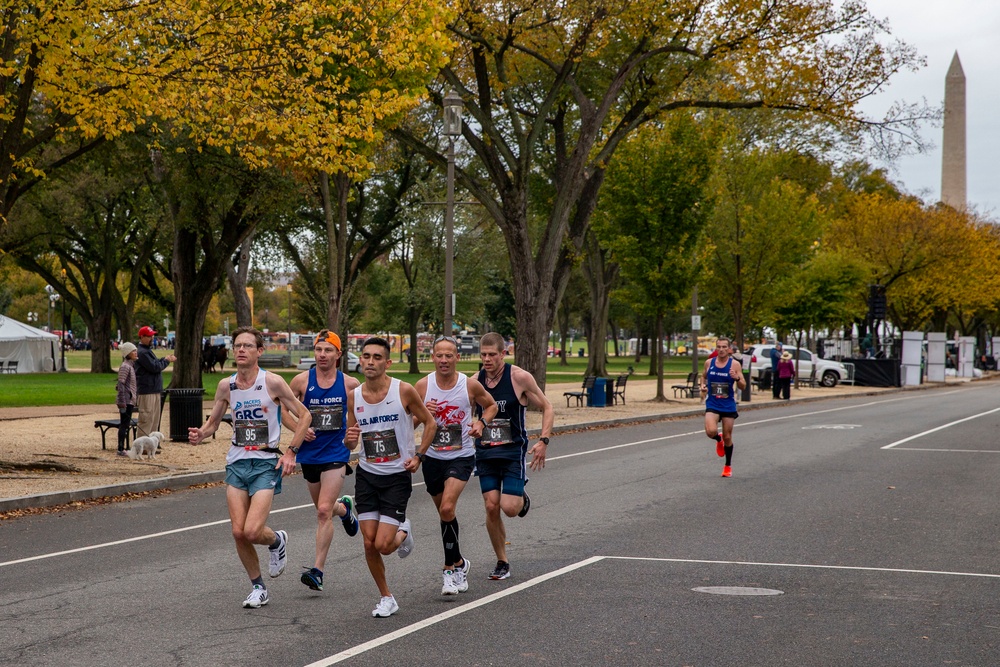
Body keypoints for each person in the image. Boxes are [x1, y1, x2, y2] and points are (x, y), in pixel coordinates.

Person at [188, 326, 312, 609]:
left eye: (247, 345)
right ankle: (258, 587)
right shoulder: (226, 386)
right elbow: (214, 423)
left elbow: (304, 416)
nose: (241, 350)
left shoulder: (273, 383)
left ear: (259, 351)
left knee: (253, 530)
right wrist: (201, 434)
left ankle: (276, 541)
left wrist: (292, 451)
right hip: (236, 462)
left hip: (266, 462)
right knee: (237, 531)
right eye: (237, 345)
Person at [345, 336, 437, 618]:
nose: (370, 362)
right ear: (360, 360)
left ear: (387, 362)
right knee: (368, 541)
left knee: (384, 545)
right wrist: (349, 441)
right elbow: (351, 441)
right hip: (367, 475)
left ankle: (403, 529)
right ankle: (387, 597)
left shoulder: (404, 390)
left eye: (376, 357)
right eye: (366, 356)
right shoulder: (354, 396)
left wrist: (419, 456)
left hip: (397, 476)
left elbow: (430, 423)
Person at [414, 335, 498, 596]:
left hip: (461, 455)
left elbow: (491, 405)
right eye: (439, 355)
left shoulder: (469, 385)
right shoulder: (422, 386)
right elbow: (410, 424)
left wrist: (481, 423)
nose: (443, 360)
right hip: (432, 457)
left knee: (448, 507)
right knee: (445, 513)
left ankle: (450, 570)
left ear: (457, 358)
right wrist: (421, 412)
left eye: (449, 355)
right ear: (432, 357)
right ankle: (460, 561)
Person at [285, 330, 362, 593]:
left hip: (336, 453)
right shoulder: (300, 382)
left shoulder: (350, 384)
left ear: (339, 354)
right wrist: (298, 427)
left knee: (321, 511)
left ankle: (317, 571)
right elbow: (282, 409)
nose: (322, 355)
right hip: (309, 454)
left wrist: (354, 434)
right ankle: (345, 509)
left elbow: (364, 409)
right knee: (325, 508)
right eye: (318, 350)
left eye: (328, 350)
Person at [475, 332, 554, 581]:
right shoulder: (474, 381)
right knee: (491, 506)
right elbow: (464, 410)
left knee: (509, 508)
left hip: (512, 451)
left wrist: (543, 440)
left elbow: (547, 406)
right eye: (483, 355)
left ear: (503, 353)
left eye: (492, 355)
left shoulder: (519, 377)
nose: (487, 359)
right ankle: (502, 561)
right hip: (485, 451)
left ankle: (520, 495)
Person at [700, 336, 745, 478]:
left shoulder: (735, 365)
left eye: (724, 347)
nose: (721, 349)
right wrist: (702, 385)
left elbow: (743, 386)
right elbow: (703, 377)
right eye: (718, 347)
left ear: (729, 349)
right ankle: (717, 439)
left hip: (728, 404)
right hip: (713, 402)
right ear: (716, 348)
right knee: (710, 431)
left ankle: (727, 465)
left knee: (728, 436)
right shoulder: (709, 363)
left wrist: (737, 378)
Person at [135, 326, 175, 440]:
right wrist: (166, 361)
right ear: (142, 337)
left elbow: (156, 362)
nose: (152, 338)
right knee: (146, 420)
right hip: (147, 391)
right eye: (149, 336)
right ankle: (142, 446)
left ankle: (151, 445)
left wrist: (164, 359)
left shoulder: (147, 351)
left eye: (152, 336)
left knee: (154, 420)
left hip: (154, 389)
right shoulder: (142, 352)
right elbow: (155, 367)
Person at [115, 343, 139, 458]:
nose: (136, 353)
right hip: (126, 401)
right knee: (124, 425)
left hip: (129, 399)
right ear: (127, 353)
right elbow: (121, 384)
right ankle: (120, 448)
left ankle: (123, 447)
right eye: (133, 351)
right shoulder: (125, 366)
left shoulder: (130, 366)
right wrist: (122, 402)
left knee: (125, 424)